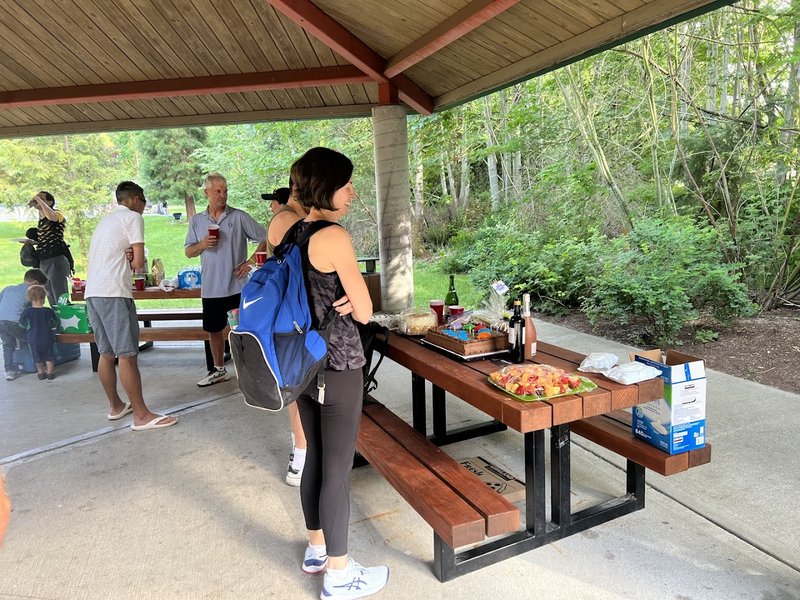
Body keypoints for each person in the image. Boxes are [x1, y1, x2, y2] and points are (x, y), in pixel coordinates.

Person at [289, 147, 389, 598]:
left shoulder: (292, 233)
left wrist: (345, 296)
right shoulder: (333, 236)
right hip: (339, 363)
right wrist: (353, 298)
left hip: (303, 364)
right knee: (337, 470)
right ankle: (341, 574)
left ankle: (317, 549)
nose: (352, 192)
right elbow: (365, 311)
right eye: (346, 184)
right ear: (327, 186)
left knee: (314, 457)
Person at [84, 181, 177, 431]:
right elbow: (138, 264)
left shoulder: (106, 221)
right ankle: (141, 415)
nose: (145, 207)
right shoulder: (133, 218)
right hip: (114, 293)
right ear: (135, 199)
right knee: (127, 354)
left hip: (93, 292)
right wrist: (135, 258)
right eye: (144, 202)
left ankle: (116, 406)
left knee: (106, 353)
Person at [185, 173, 267, 387]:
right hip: (211, 287)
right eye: (218, 191)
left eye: (225, 191)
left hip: (236, 286)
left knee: (241, 330)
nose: (223, 195)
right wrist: (202, 244)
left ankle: (249, 372)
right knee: (213, 330)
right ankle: (219, 370)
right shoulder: (197, 221)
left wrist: (249, 262)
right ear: (206, 193)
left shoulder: (238, 217)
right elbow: (188, 251)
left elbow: (266, 237)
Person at [264, 181, 310, 487]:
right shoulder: (288, 220)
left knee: (298, 390)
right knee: (300, 391)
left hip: (289, 318)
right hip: (292, 320)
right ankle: (301, 458)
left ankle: (300, 452)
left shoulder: (288, 218)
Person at [0, 268, 48, 381]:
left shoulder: (8, 288)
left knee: (8, 345)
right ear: (35, 283)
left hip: (1, 321)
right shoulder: (32, 292)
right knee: (32, 340)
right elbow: (34, 311)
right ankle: (39, 364)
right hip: (15, 323)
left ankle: (10, 371)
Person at [28, 191, 72, 306]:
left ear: (49, 202)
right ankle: (55, 315)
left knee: (60, 295)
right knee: (49, 294)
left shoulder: (57, 214)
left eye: (42, 198)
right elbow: (46, 239)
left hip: (56, 259)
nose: (38, 200)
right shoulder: (41, 221)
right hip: (44, 260)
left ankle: (65, 315)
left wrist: (39, 200)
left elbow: (51, 217)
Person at [18, 284, 59, 380]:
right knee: (49, 356)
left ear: (29, 298)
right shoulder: (48, 311)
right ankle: (50, 373)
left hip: (33, 339)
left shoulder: (27, 312)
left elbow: (21, 325)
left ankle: (41, 373)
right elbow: (55, 322)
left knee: (37, 358)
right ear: (44, 297)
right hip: (47, 338)